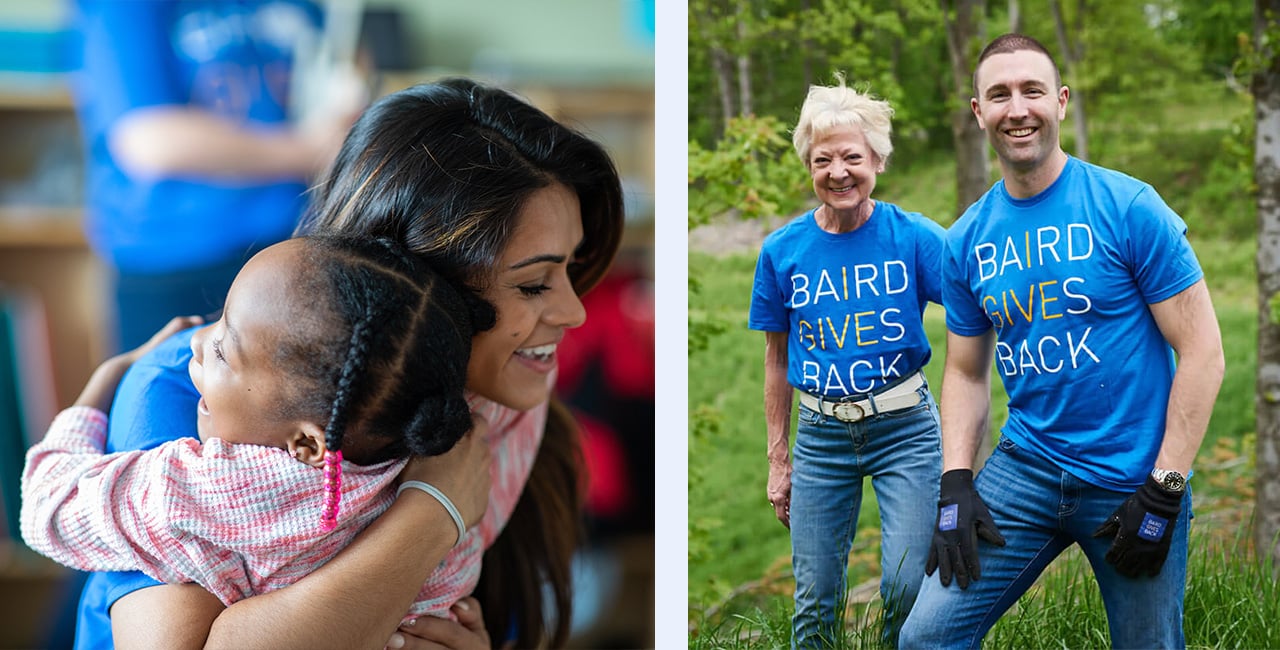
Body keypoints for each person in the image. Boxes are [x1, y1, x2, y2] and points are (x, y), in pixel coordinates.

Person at [74, 77, 625, 650]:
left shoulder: (501, 410)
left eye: (570, 267)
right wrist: (433, 513)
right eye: (534, 284)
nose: (576, 312)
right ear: (414, 283)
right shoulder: (193, 393)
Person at [898, 33, 1225, 649]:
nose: (1016, 108)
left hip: (1133, 478)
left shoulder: (1128, 207)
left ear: (1062, 102)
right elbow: (967, 371)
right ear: (978, 113)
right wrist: (955, 483)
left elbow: (1204, 351)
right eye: (999, 95)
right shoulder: (967, 239)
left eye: (1032, 91)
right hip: (1026, 471)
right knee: (925, 639)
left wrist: (1165, 488)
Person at [22, 234, 495, 616]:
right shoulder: (430, 465)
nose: (196, 342)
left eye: (225, 349)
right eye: (219, 320)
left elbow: (47, 507)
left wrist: (101, 386)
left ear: (307, 444)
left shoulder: (216, 491)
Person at [747, 77, 945, 648]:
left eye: (852, 157)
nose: (838, 172)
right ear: (808, 166)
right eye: (822, 159)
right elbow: (774, 358)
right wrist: (778, 460)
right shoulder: (782, 252)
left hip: (905, 429)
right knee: (814, 601)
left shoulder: (914, 238)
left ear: (877, 159)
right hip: (821, 438)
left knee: (907, 585)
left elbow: (974, 314)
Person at [72, 0, 359, 351]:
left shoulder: (301, 7)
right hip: (176, 261)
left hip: (297, 245)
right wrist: (311, 148)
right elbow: (150, 140)